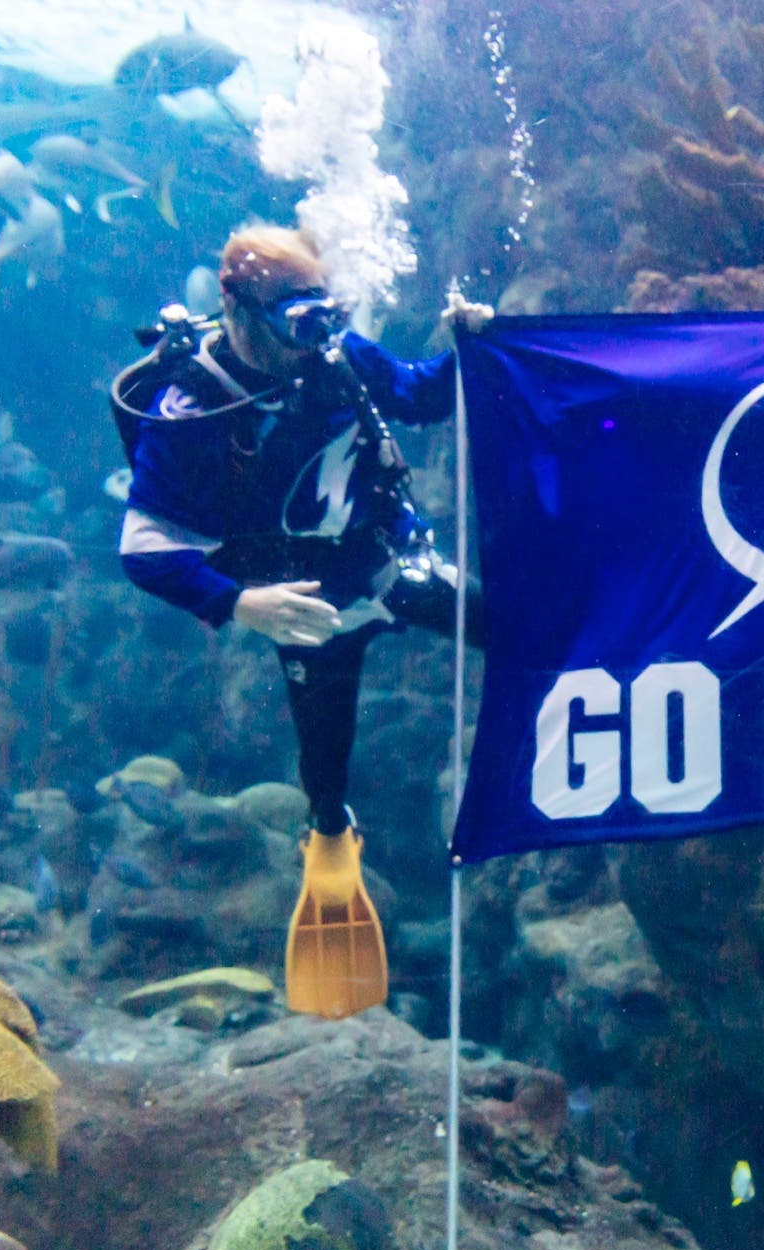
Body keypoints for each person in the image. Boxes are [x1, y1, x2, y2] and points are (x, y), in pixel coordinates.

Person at [113, 224, 488, 1019]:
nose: (314, 336)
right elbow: (144, 548)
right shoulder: (193, 406)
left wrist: (469, 349)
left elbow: (421, 396)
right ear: (237, 311)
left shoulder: (339, 354)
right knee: (326, 766)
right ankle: (328, 841)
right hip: (305, 608)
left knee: (514, 631)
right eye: (297, 319)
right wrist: (238, 604)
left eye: (323, 312)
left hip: (389, 564)